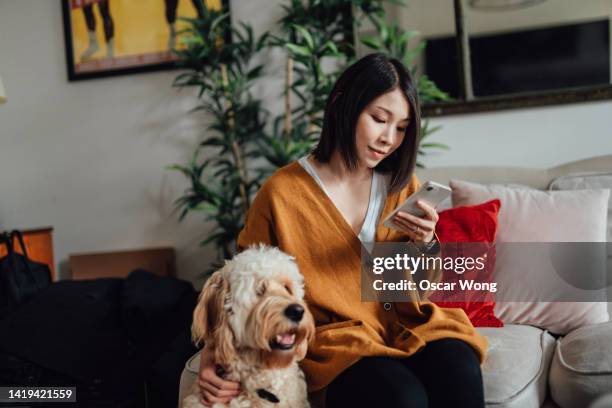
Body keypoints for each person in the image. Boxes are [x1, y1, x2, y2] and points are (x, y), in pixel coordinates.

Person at [195, 52, 489, 408]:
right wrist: (213, 352)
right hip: (339, 343)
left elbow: (417, 289)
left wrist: (424, 245)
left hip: (412, 326)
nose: (389, 139)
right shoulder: (282, 193)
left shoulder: (401, 185)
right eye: (379, 119)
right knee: (401, 397)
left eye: (401, 127)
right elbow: (242, 282)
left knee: (460, 368)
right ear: (341, 104)